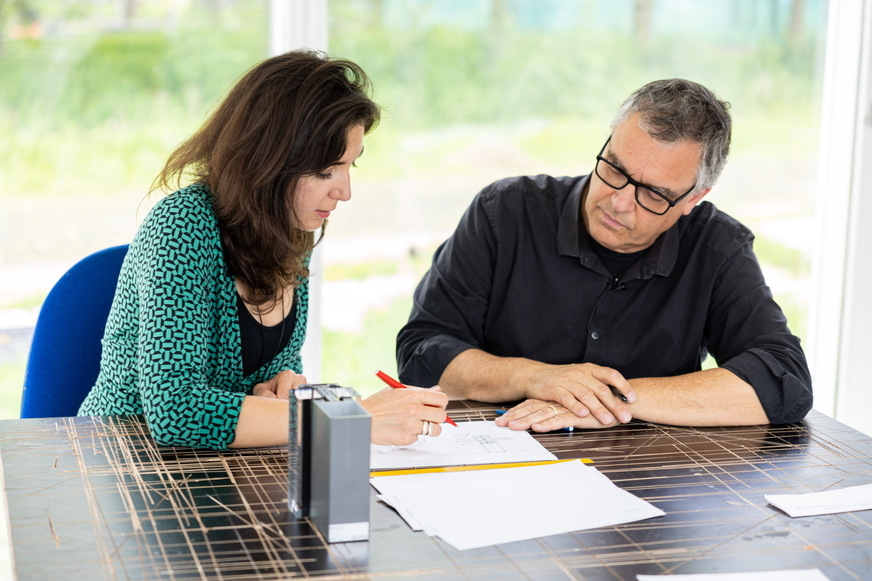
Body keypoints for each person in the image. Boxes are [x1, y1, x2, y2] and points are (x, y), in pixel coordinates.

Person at [396, 78, 812, 432]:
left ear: (694, 199)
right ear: (607, 143)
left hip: (649, 487)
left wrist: (610, 400)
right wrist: (533, 377)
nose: (619, 202)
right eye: (614, 168)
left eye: (653, 193)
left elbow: (783, 381)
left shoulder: (717, 246)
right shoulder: (504, 212)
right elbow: (422, 353)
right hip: (500, 453)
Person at [78, 50, 447, 449]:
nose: (344, 192)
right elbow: (175, 411)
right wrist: (352, 417)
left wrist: (282, 388)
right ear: (268, 161)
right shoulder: (182, 224)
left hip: (216, 466)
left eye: (349, 167)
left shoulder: (292, 225)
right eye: (326, 171)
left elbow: (278, 371)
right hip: (120, 462)